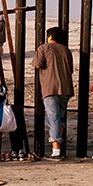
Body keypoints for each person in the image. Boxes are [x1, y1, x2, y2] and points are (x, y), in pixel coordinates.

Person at [31, 26, 74, 160]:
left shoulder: (44, 48)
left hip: (50, 87)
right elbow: (70, 69)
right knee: (59, 118)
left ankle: (56, 151)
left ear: (49, 36)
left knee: (53, 118)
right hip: (66, 88)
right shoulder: (66, 50)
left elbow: (38, 65)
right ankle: (58, 147)